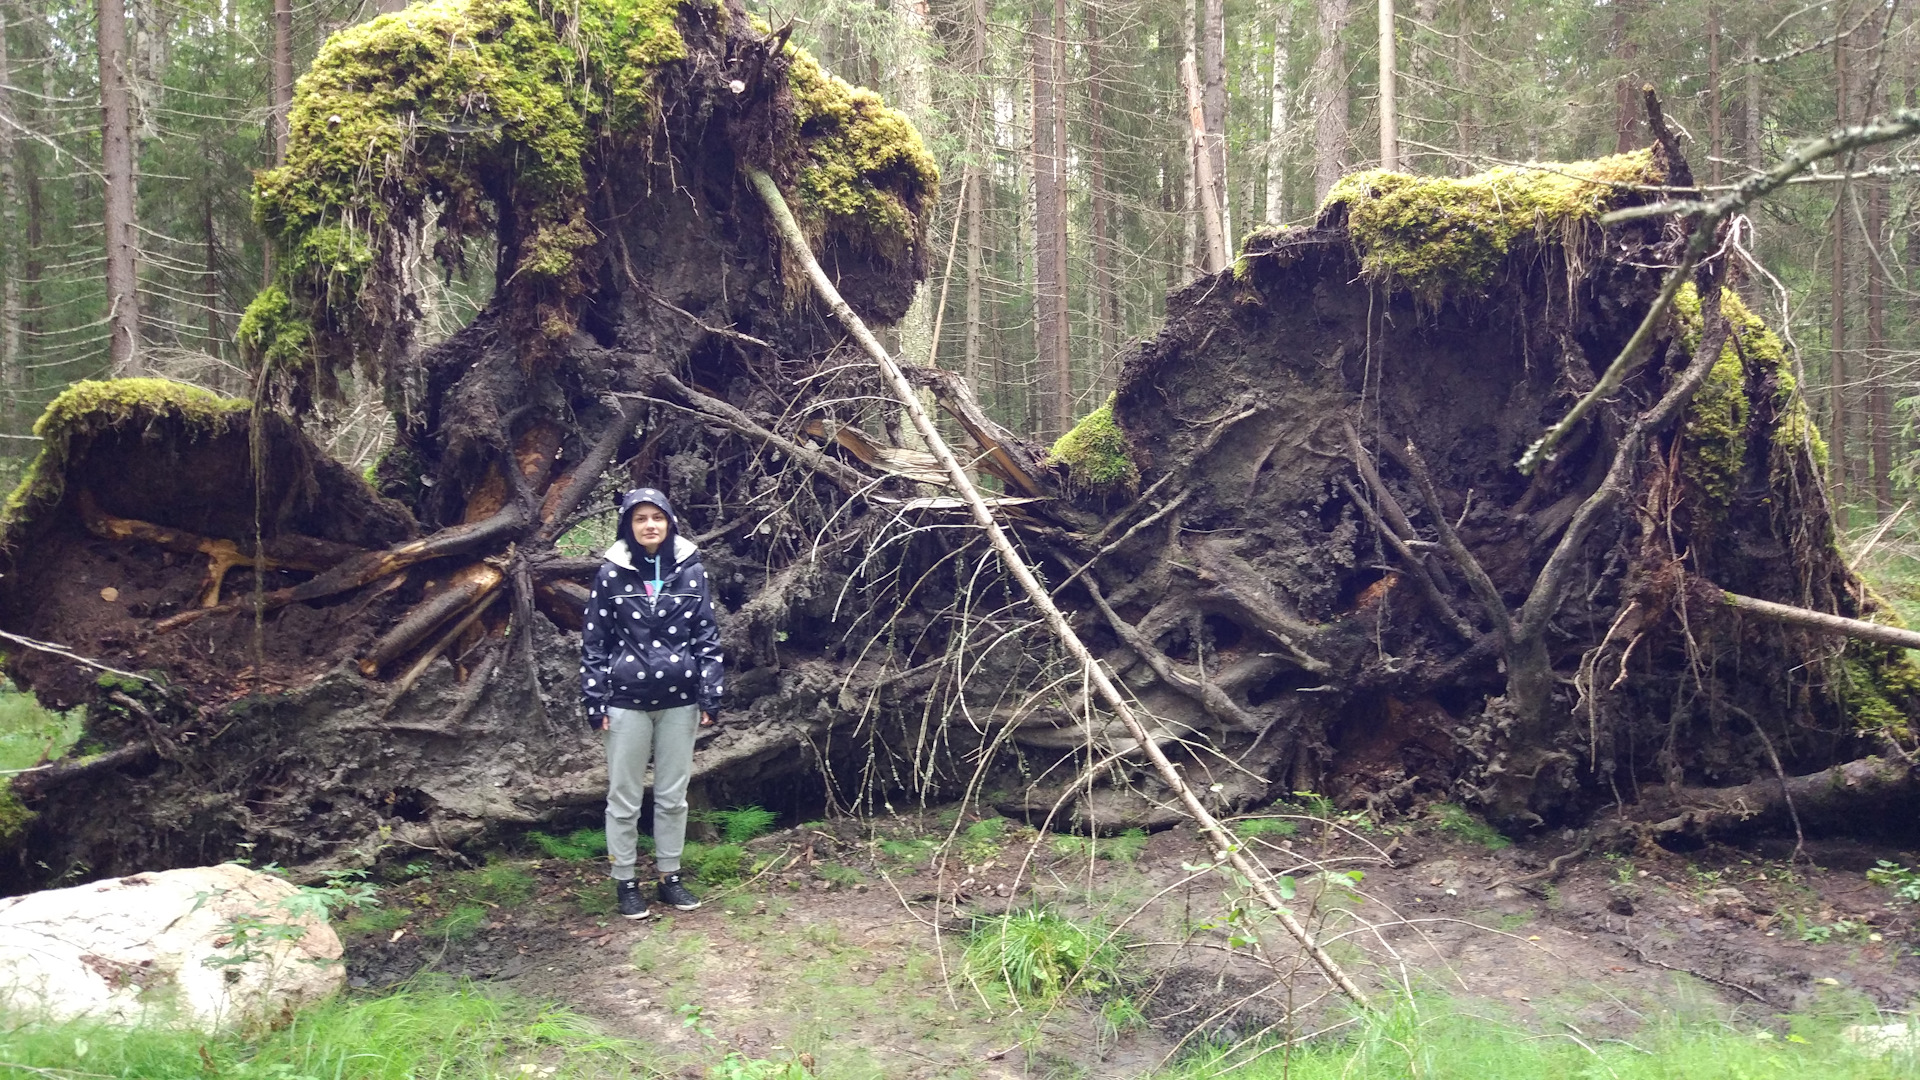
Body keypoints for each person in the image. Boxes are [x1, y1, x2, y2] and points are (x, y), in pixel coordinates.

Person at [580, 487, 724, 920]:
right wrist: (595, 699)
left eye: (656, 518)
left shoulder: (691, 570)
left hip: (680, 702)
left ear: (669, 522)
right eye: (640, 518)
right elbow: (594, 642)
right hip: (625, 702)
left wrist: (710, 693)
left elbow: (707, 637)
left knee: (672, 796)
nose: (650, 525)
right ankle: (625, 882)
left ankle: (670, 877)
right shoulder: (611, 573)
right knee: (623, 797)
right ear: (629, 525)